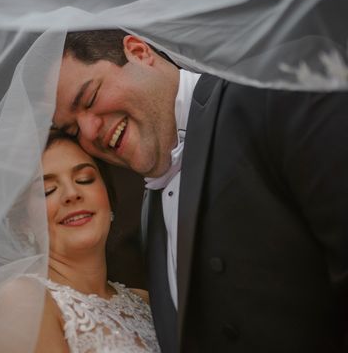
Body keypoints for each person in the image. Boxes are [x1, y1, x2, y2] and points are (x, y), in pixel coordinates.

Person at [52, 29, 348, 352]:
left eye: (91, 97)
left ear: (139, 52)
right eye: (72, 129)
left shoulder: (271, 90)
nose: (90, 132)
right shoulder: (149, 215)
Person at [0, 129, 160, 353]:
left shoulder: (145, 301)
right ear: (24, 223)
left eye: (84, 179)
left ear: (109, 200)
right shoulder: (23, 301)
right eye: (48, 190)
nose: (72, 193)